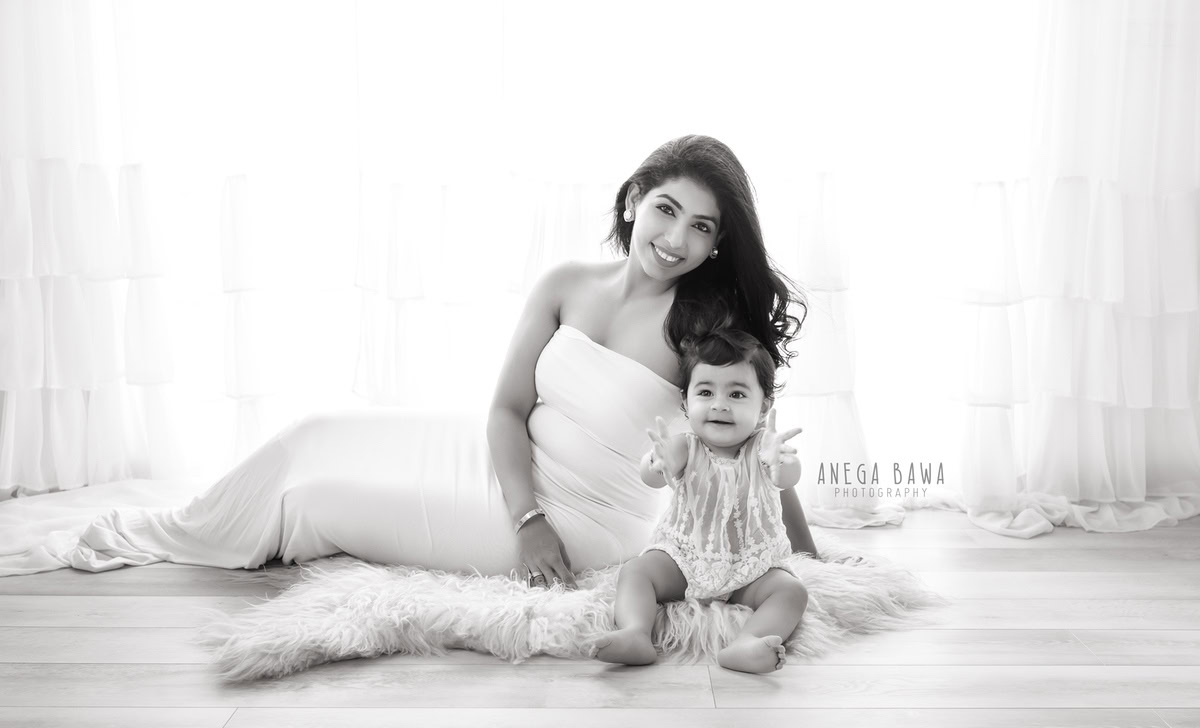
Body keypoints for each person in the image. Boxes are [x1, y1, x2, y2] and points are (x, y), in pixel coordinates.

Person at [0, 133, 819, 580]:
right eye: (667, 210)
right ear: (636, 198)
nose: (674, 239)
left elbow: (751, 449)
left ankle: (184, 542)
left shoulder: (704, 331)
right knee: (313, 429)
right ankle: (179, 528)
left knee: (313, 503)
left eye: (703, 228)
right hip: (515, 470)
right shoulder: (569, 281)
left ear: (717, 246)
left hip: (587, 521)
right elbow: (504, 410)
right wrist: (519, 507)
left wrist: (807, 560)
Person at [594, 329, 807, 673]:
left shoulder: (761, 450)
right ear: (686, 401)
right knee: (636, 571)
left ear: (764, 406)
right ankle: (635, 632)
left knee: (792, 591)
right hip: (685, 559)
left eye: (737, 394)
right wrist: (656, 463)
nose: (720, 404)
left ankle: (747, 644)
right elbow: (652, 475)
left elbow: (788, 477)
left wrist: (779, 461)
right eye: (706, 392)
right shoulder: (685, 446)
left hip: (751, 567)